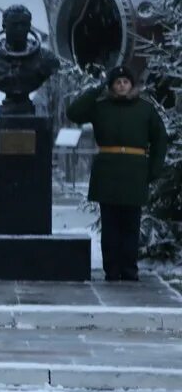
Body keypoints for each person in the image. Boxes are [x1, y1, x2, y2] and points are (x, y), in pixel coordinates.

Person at [65, 65, 167, 282]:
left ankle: (129, 270)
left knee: (131, 226)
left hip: (135, 172)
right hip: (108, 172)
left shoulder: (145, 109)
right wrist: (96, 89)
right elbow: (73, 113)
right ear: (111, 86)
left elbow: (160, 139)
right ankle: (111, 270)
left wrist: (153, 170)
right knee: (110, 227)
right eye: (117, 82)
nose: (122, 85)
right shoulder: (100, 107)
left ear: (132, 85)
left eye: (125, 82)